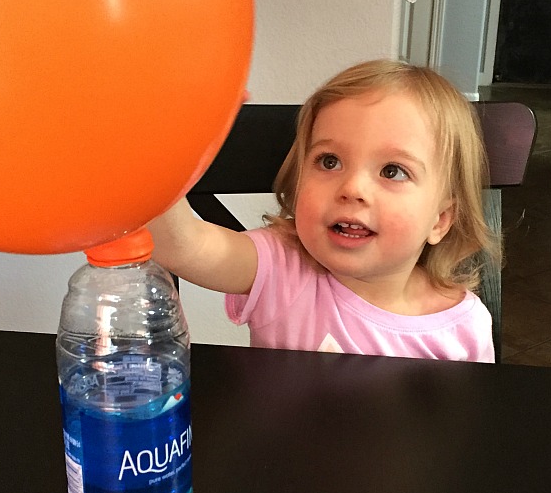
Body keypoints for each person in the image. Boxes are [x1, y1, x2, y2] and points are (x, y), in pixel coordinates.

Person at [149, 60, 498, 363]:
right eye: (329, 162)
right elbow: (180, 246)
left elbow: (466, 433)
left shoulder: (464, 329)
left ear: (440, 220)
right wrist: (169, 144)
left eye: (392, 171)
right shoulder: (280, 268)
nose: (353, 189)